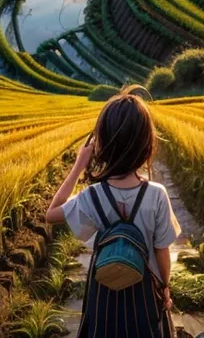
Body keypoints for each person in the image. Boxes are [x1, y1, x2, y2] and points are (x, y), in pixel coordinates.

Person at [46, 87, 181, 338]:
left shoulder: (93, 195)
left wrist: (78, 165)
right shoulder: (157, 194)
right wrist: (165, 288)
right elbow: (162, 252)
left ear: (102, 144)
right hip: (147, 294)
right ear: (146, 143)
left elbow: (51, 213)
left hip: (104, 294)